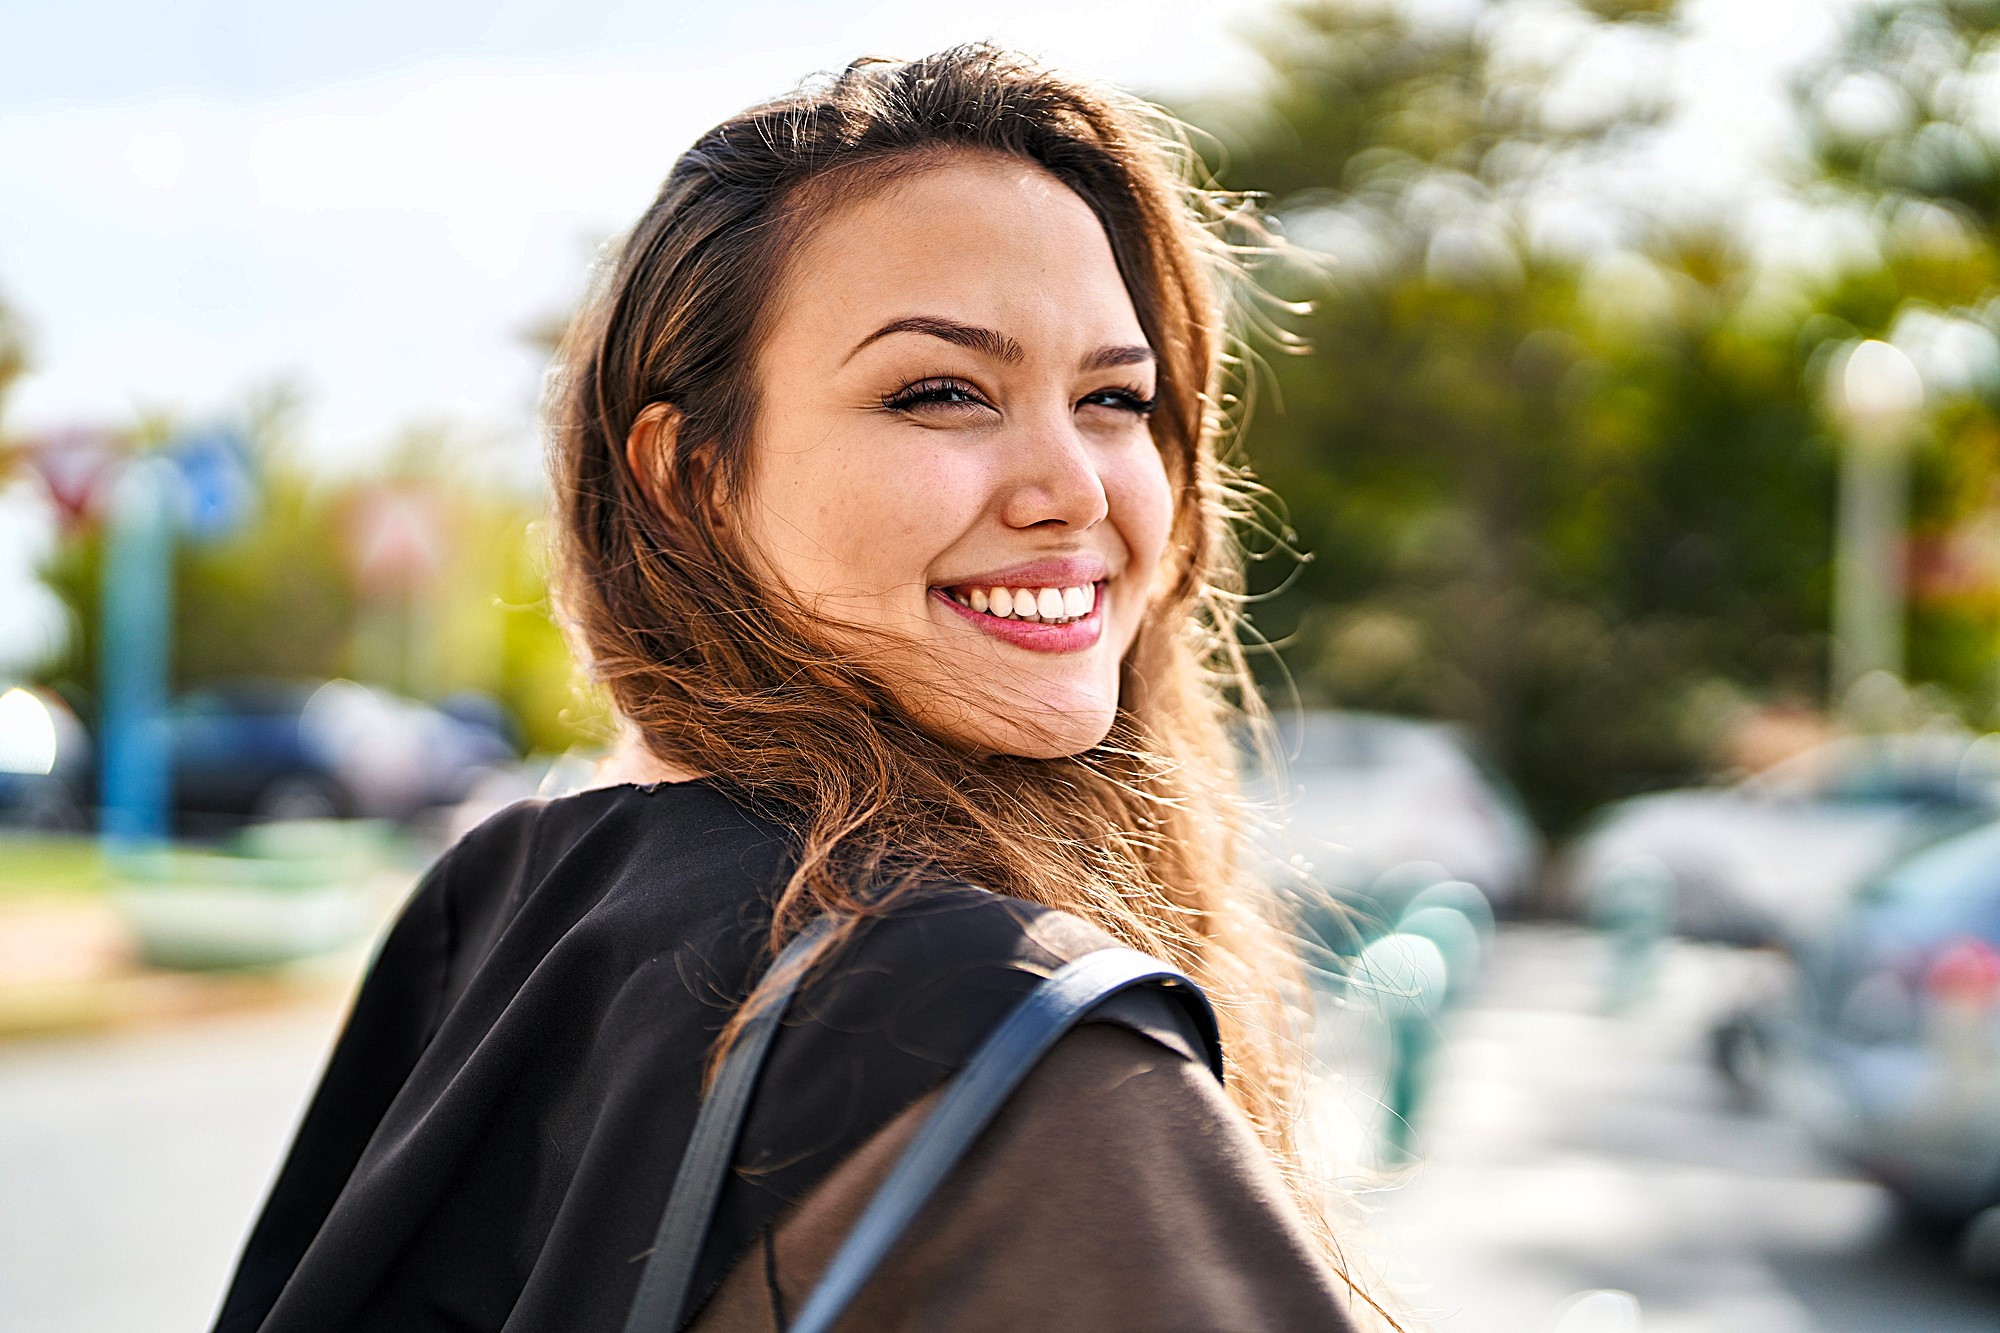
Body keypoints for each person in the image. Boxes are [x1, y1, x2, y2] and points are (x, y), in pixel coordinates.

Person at [213, 44, 1395, 1333]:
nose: (1074, 487)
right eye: (942, 392)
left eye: (1114, 398)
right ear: (688, 475)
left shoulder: (499, 898)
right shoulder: (1009, 1041)